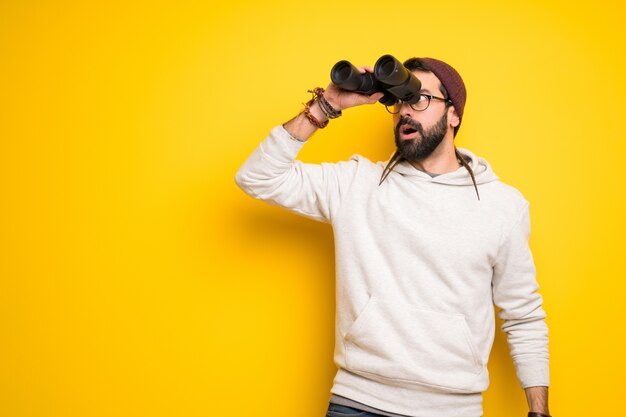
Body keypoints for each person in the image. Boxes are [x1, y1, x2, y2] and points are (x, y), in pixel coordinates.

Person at [234, 57, 550, 417]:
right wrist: (328, 105)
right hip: (358, 402)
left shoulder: (502, 206)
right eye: (400, 101)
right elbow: (257, 177)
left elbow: (524, 316)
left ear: (454, 115)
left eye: (420, 99)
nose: (404, 111)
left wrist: (538, 413)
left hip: (453, 410)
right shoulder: (356, 184)